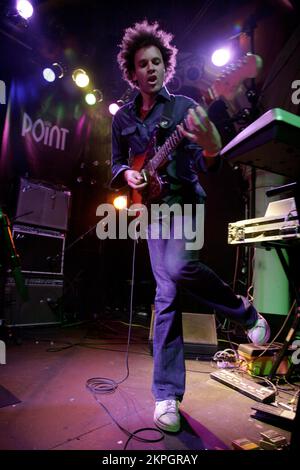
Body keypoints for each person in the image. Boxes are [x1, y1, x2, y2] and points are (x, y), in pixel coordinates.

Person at [110, 20, 270, 433]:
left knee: (180, 270)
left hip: (184, 204)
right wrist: (128, 173)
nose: (151, 69)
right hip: (152, 210)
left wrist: (213, 147)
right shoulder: (123, 118)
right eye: (143, 64)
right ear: (132, 71)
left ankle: (243, 311)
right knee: (164, 296)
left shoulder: (184, 108)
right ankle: (166, 396)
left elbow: (208, 162)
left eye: (158, 62)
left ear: (167, 65)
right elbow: (116, 163)